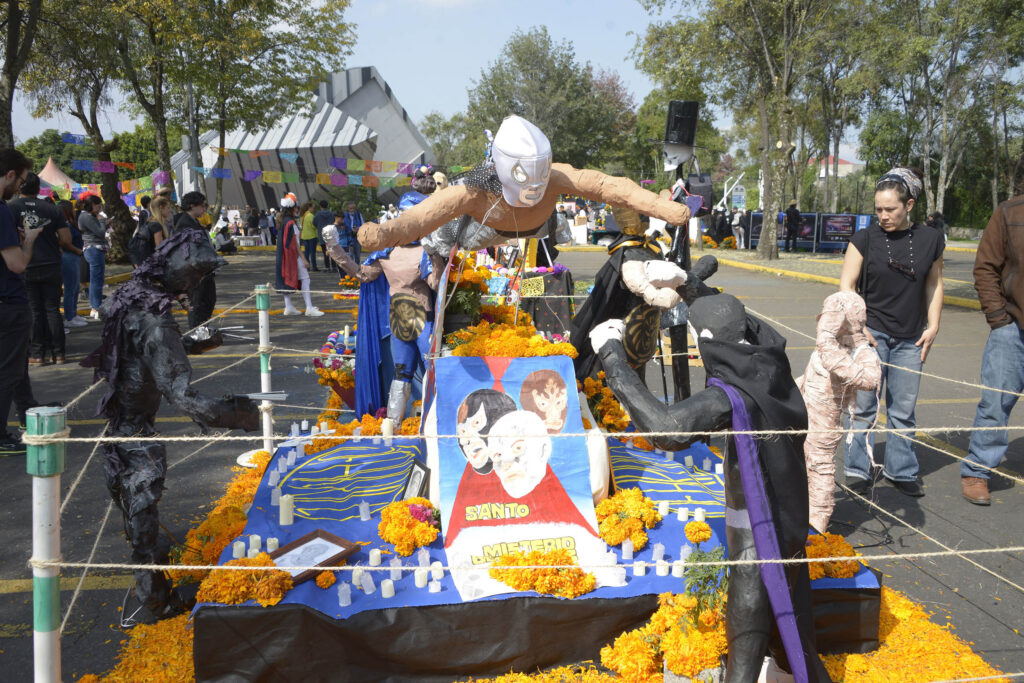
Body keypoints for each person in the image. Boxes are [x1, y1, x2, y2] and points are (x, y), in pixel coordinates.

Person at [590, 294, 833, 683]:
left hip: (758, 540)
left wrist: (612, 355)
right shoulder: (768, 371)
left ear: (706, 339)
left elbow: (666, 430)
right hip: (788, 530)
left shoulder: (732, 395)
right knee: (798, 642)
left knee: (744, 661)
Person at [839, 167, 944, 498]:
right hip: (872, 335)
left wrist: (934, 325)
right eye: (878, 209)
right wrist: (858, 329)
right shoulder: (864, 239)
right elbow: (847, 286)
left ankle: (902, 470)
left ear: (909, 205)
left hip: (911, 338)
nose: (883, 216)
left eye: (890, 209)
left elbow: (934, 283)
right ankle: (858, 468)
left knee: (903, 410)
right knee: (865, 407)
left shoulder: (931, 239)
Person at [960, 195, 1024, 505]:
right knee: (995, 404)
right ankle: (977, 471)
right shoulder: (1010, 212)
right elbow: (985, 267)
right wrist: (1000, 319)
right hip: (1012, 328)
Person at [0, 149, 40, 455]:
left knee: (14, 367)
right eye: (21, 180)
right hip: (8, 301)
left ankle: (28, 412)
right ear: (11, 174)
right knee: (9, 371)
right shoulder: (1, 210)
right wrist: (27, 242)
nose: (20, 188)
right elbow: (16, 264)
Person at [9, 173, 72, 364]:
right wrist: (53, 245)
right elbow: (66, 240)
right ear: (39, 189)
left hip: (25, 264)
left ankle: (37, 354)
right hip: (51, 263)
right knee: (53, 309)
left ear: (19, 186)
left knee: (34, 310)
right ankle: (59, 353)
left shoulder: (10, 209)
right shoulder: (51, 209)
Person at [175, 192, 219, 330]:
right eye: (202, 206)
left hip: (205, 269)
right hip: (194, 270)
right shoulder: (184, 223)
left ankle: (202, 328)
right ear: (192, 206)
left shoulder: (195, 222)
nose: (204, 209)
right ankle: (195, 331)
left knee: (209, 300)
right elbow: (185, 249)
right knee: (197, 303)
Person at [275, 193, 323, 317]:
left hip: (282, 257)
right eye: (296, 208)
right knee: (305, 279)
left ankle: (289, 306)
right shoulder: (290, 223)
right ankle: (309, 307)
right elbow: (295, 245)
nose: (297, 210)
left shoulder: (282, 221)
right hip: (292, 258)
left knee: (285, 281)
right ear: (292, 209)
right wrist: (304, 259)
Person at [57, 200, 87, 330]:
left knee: (74, 287)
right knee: (71, 287)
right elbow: (65, 242)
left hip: (73, 256)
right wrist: (78, 251)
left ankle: (73, 313)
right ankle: (69, 316)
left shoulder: (69, 224)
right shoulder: (65, 225)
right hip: (69, 256)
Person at [78, 194, 108, 319]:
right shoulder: (86, 216)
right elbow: (100, 232)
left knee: (97, 279)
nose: (99, 208)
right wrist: (102, 220)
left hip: (95, 248)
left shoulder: (87, 216)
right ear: (91, 205)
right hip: (93, 249)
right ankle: (96, 307)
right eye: (98, 205)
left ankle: (95, 307)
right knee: (96, 280)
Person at [128, 196, 168, 267]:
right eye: (168, 208)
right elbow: (160, 249)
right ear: (161, 208)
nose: (170, 210)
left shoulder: (151, 221)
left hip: (143, 262)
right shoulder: (156, 226)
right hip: (150, 264)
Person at [312, 199, 334, 271]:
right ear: (327, 206)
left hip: (322, 235)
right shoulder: (331, 213)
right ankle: (334, 267)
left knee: (325, 252)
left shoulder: (318, 214)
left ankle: (327, 267)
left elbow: (314, 222)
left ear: (320, 206)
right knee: (332, 251)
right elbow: (334, 221)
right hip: (331, 234)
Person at [299, 201, 318, 271]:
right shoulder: (310, 215)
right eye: (313, 208)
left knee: (307, 252)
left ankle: (307, 266)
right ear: (309, 208)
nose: (314, 209)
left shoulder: (302, 215)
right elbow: (313, 226)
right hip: (312, 235)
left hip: (304, 236)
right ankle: (314, 266)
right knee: (313, 252)